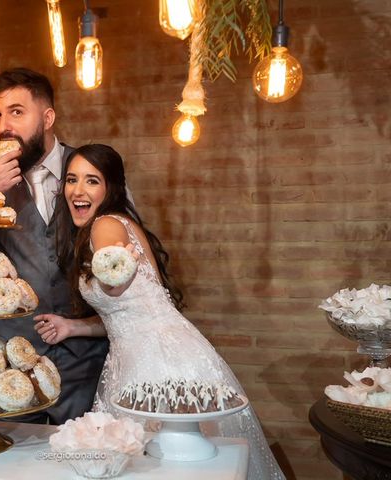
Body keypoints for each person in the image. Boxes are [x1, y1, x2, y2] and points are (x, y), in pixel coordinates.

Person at [34, 144, 285, 479]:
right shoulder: (115, 223)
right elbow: (123, 314)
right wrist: (72, 327)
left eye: (92, 181)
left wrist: (113, 280)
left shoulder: (105, 225)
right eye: (71, 179)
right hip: (151, 353)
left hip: (159, 366)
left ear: (111, 188)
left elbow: (114, 282)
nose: (78, 190)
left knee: (167, 465)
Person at [0, 68, 109, 425]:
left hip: (85, 358)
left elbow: (123, 250)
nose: (4, 125)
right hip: (12, 359)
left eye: (17, 112)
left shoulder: (91, 171)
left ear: (47, 117)